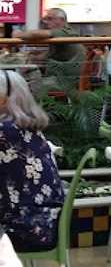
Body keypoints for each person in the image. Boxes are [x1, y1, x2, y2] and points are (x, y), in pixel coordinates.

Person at [0, 70, 66, 253]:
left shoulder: (5, 131)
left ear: (3, 99)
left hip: (26, 228)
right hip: (44, 222)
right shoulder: (25, 126)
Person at [19, 8, 86, 73]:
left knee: (30, 81)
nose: (46, 22)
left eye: (50, 19)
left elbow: (35, 34)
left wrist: (17, 34)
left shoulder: (64, 32)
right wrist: (33, 56)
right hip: (67, 76)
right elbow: (46, 55)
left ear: (62, 20)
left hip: (64, 79)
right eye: (46, 19)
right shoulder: (60, 36)